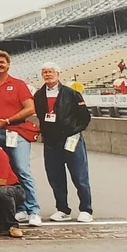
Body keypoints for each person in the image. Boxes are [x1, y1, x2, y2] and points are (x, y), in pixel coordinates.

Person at [0, 49, 42, 227]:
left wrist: (6, 120)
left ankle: (33, 209)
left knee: (22, 169)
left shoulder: (18, 84)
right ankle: (19, 207)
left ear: (8, 63)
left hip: (17, 130)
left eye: (2, 62)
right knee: (7, 173)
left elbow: (30, 108)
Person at [34, 62, 94, 222]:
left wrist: (75, 132)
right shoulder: (39, 95)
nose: (48, 75)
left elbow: (84, 117)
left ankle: (86, 209)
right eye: (45, 72)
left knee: (79, 175)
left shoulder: (71, 93)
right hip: (51, 142)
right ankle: (62, 208)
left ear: (58, 74)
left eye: (51, 72)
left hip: (71, 139)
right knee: (55, 176)